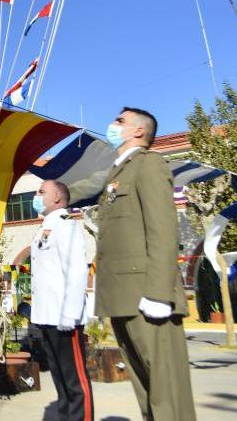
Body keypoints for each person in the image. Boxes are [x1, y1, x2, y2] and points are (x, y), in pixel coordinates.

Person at [96, 108, 195, 421]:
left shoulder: (149, 164)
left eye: (120, 121)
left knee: (167, 391)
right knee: (145, 387)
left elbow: (163, 230)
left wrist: (157, 292)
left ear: (139, 131)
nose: (113, 124)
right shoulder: (118, 171)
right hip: (123, 297)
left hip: (146, 296)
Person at [29, 180, 93, 421]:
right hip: (47, 317)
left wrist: (70, 313)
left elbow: (76, 270)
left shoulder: (66, 225)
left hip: (64, 317)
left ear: (57, 197)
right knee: (60, 382)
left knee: (75, 383)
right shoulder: (46, 226)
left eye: (41, 191)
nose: (37, 196)